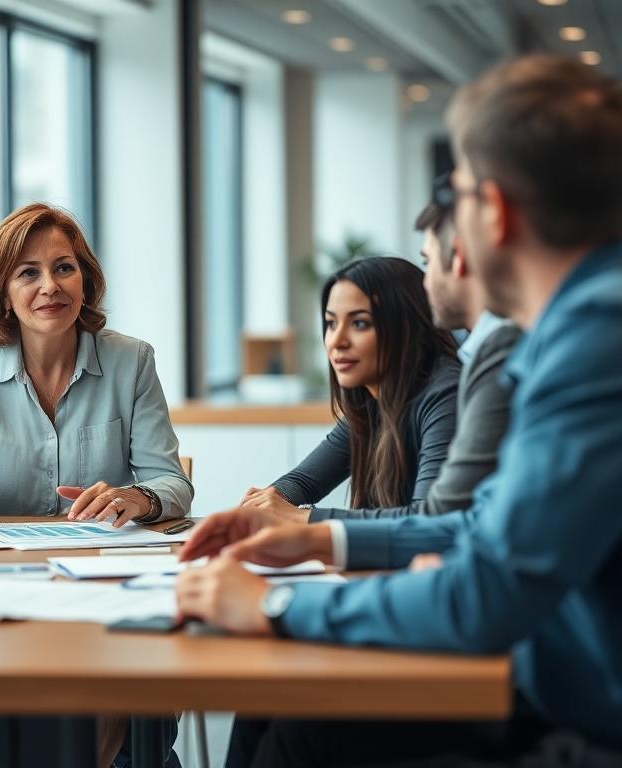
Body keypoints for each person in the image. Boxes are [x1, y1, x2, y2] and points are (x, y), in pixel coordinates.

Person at [177, 54, 622, 767]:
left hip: (577, 726)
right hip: (555, 693)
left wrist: (273, 607)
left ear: (495, 211)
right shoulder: (571, 331)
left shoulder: (594, 342)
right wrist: (318, 540)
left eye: (456, 191)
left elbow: (487, 591)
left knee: (303, 734)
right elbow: (480, 530)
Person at [0, 202, 193, 768]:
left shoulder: (132, 362)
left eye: (64, 267)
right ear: (2, 291)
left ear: (85, 278)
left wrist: (139, 497)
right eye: (27, 272)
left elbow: (172, 483)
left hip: (103, 582)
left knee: (124, 675)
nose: (49, 286)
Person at [241, 256, 460, 523]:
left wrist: (304, 518)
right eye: (331, 323)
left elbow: (426, 521)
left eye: (359, 324)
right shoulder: (371, 402)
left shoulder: (445, 394)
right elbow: (303, 481)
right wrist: (267, 501)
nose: (337, 341)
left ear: (406, 327)